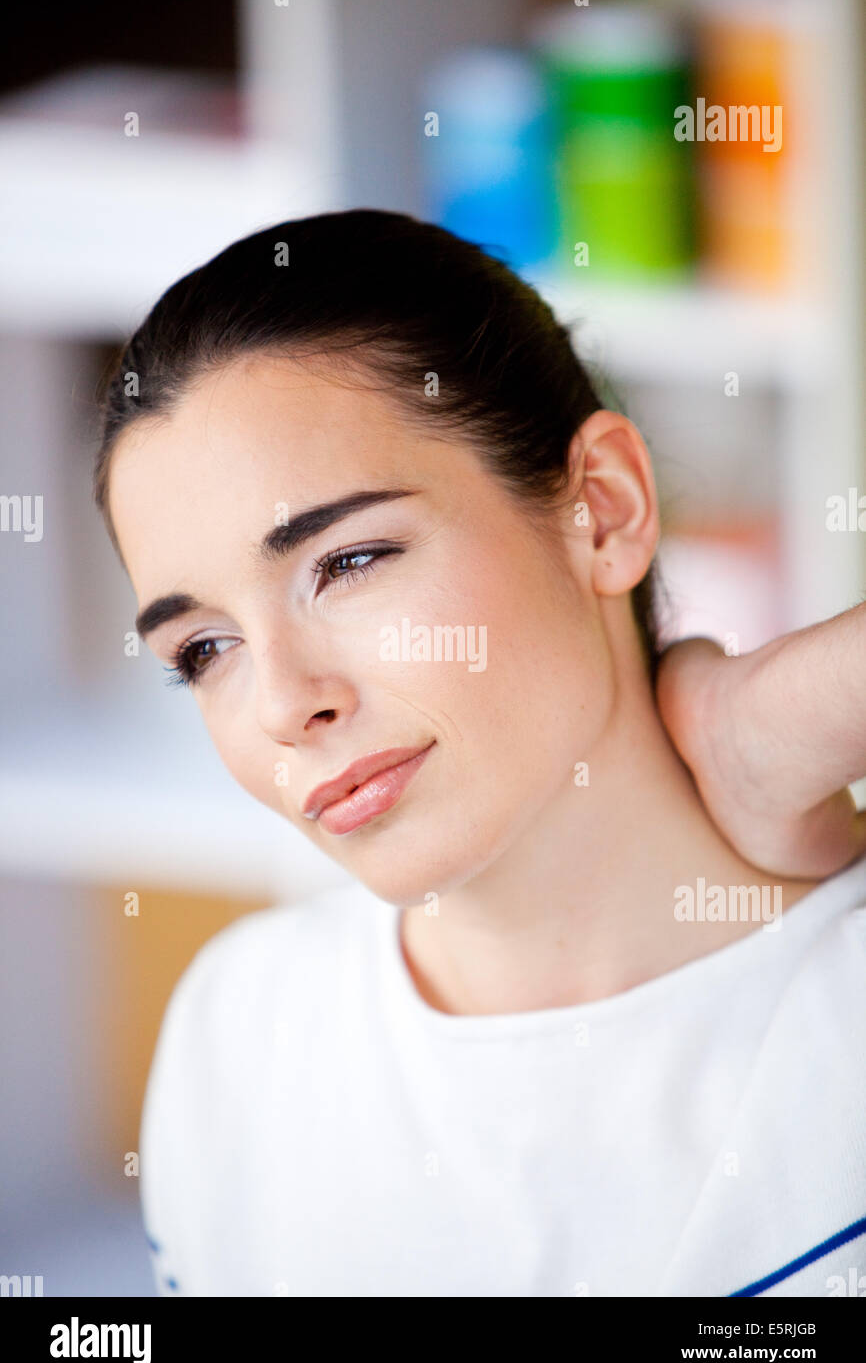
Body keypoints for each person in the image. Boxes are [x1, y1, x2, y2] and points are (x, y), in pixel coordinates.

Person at [93, 209, 866, 1297]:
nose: (281, 703)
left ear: (601, 509)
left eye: (348, 560)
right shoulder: (244, 1031)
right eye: (204, 648)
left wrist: (797, 709)